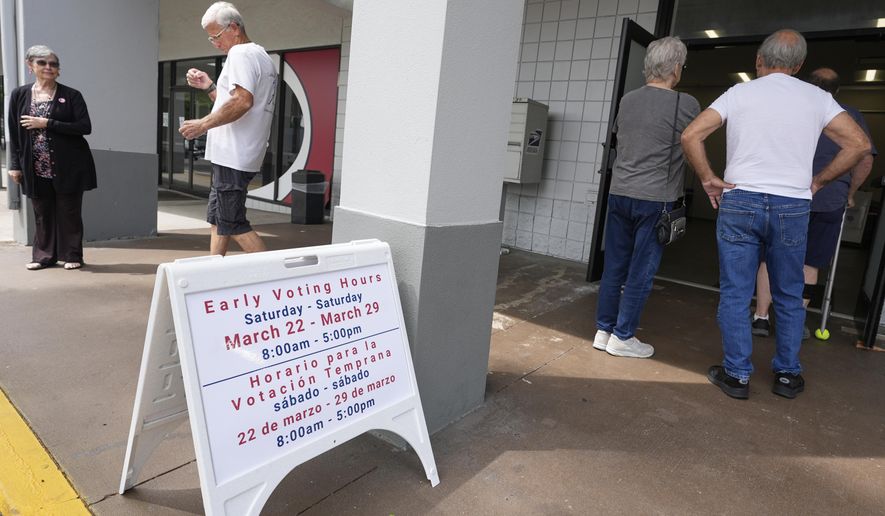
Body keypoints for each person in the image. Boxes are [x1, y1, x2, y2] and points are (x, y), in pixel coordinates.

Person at [681, 30, 871, 399]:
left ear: (758, 61)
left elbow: (691, 135)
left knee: (736, 293)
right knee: (789, 291)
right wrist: (820, 181)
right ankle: (787, 375)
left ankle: (736, 376)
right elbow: (859, 145)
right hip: (792, 205)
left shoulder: (739, 93)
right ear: (799, 66)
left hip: (740, 200)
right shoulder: (817, 98)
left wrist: (708, 179)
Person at [593, 37, 701, 358]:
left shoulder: (628, 100)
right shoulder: (687, 104)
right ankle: (623, 336)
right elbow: (694, 143)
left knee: (614, 265)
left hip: (620, 192)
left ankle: (604, 329)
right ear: (677, 69)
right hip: (656, 198)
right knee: (641, 270)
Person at [752, 68, 877, 338]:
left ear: (805, 85)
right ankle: (792, 323)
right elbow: (865, 158)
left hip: (784, 195)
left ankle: (761, 317)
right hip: (829, 200)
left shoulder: (790, 109)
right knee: (811, 263)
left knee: (769, 256)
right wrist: (851, 191)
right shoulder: (850, 116)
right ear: (838, 91)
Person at [180, 2, 278, 256]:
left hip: (233, 155)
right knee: (219, 220)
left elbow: (242, 102)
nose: (213, 42)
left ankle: (275, 277)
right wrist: (210, 87)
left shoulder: (241, 54)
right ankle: (213, 272)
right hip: (239, 153)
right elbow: (235, 104)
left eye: (216, 35)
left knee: (232, 223)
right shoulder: (260, 55)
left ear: (233, 28)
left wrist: (203, 124)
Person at [6, 45, 96, 270]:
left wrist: (47, 123)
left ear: (59, 70)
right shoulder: (19, 95)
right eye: (42, 63)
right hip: (34, 165)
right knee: (42, 213)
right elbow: (14, 133)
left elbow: (84, 127)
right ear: (30, 66)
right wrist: (15, 165)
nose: (48, 67)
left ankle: (72, 256)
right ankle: (43, 256)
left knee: (69, 212)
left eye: (53, 64)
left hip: (69, 165)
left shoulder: (71, 95)